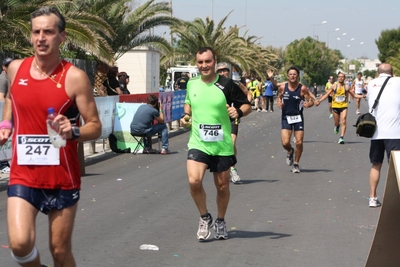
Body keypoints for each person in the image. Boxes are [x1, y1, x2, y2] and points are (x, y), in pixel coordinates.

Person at [0, 6, 102, 267]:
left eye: (48, 31)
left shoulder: (75, 78)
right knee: (20, 245)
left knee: (59, 251)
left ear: (62, 37)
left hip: (62, 178)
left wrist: (73, 131)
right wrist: (6, 122)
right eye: (36, 32)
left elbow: (95, 126)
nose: (41, 38)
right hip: (24, 173)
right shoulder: (15, 69)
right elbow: (12, 97)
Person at [180, 47, 251, 241]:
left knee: (222, 186)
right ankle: (204, 217)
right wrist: (186, 115)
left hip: (221, 144)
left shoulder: (227, 85)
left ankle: (220, 220)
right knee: (194, 181)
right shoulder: (192, 84)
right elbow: (188, 102)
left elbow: (246, 105)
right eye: (200, 62)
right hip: (198, 142)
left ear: (215, 61)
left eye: (208, 61)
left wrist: (239, 112)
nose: (204, 65)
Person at [366, 63, 400, 207]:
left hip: (376, 133)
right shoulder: (398, 81)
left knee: (376, 164)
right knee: (397, 166)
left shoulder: (371, 84)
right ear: (392, 73)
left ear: (377, 73)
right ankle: (396, 199)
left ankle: (372, 198)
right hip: (395, 132)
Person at [216, 62, 252, 184]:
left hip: (232, 118)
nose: (222, 73)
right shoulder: (213, 85)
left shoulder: (236, 84)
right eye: (220, 71)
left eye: (225, 70)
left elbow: (248, 97)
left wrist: (239, 110)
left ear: (229, 71)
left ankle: (233, 169)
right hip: (217, 120)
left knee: (231, 143)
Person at [277, 66, 314, 173]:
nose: (292, 76)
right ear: (287, 76)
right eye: (290, 74)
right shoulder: (283, 87)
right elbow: (279, 96)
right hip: (286, 117)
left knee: (299, 142)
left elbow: (310, 100)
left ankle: (296, 164)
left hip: (298, 118)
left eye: (294, 74)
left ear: (297, 76)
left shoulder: (302, 88)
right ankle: (290, 151)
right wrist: (279, 102)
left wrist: (309, 104)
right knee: (285, 142)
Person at [316, 72, 365, 144]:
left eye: (342, 77)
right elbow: (326, 94)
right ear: (337, 78)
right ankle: (337, 126)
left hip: (344, 106)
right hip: (335, 106)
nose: (341, 78)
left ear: (344, 78)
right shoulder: (334, 86)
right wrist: (319, 101)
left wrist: (363, 96)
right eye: (339, 77)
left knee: (344, 120)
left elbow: (354, 95)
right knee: (336, 122)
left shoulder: (347, 87)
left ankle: (341, 138)